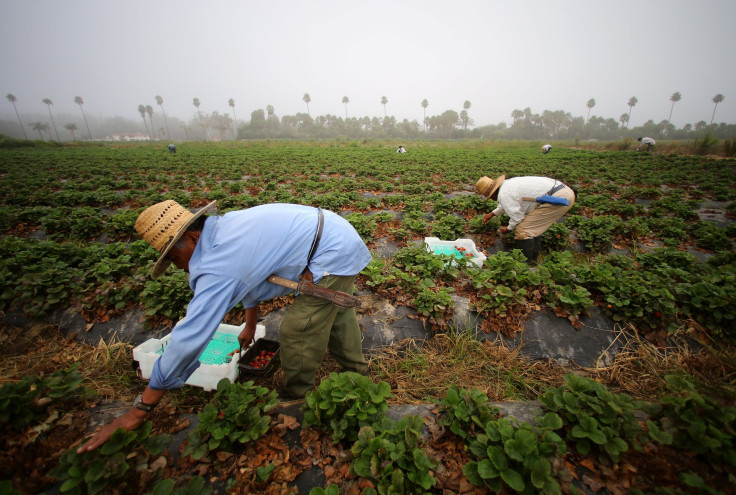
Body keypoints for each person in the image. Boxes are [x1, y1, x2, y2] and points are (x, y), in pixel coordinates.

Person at [77, 201, 371, 453]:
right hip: (334, 231)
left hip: (331, 250)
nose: (180, 267)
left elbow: (191, 336)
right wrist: (250, 323)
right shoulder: (222, 230)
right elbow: (253, 275)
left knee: (299, 329)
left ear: (192, 238)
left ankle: (296, 396)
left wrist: (141, 408)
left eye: (175, 258)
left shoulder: (219, 260)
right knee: (336, 311)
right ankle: (356, 371)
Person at [476, 175, 576, 260]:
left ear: (493, 193)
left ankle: (524, 264)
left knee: (523, 230)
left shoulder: (504, 193)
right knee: (533, 228)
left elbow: (517, 217)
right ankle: (533, 260)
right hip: (563, 192)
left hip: (558, 198)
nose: (492, 199)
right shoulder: (507, 185)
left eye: (489, 196)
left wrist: (508, 229)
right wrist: (492, 214)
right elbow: (507, 203)